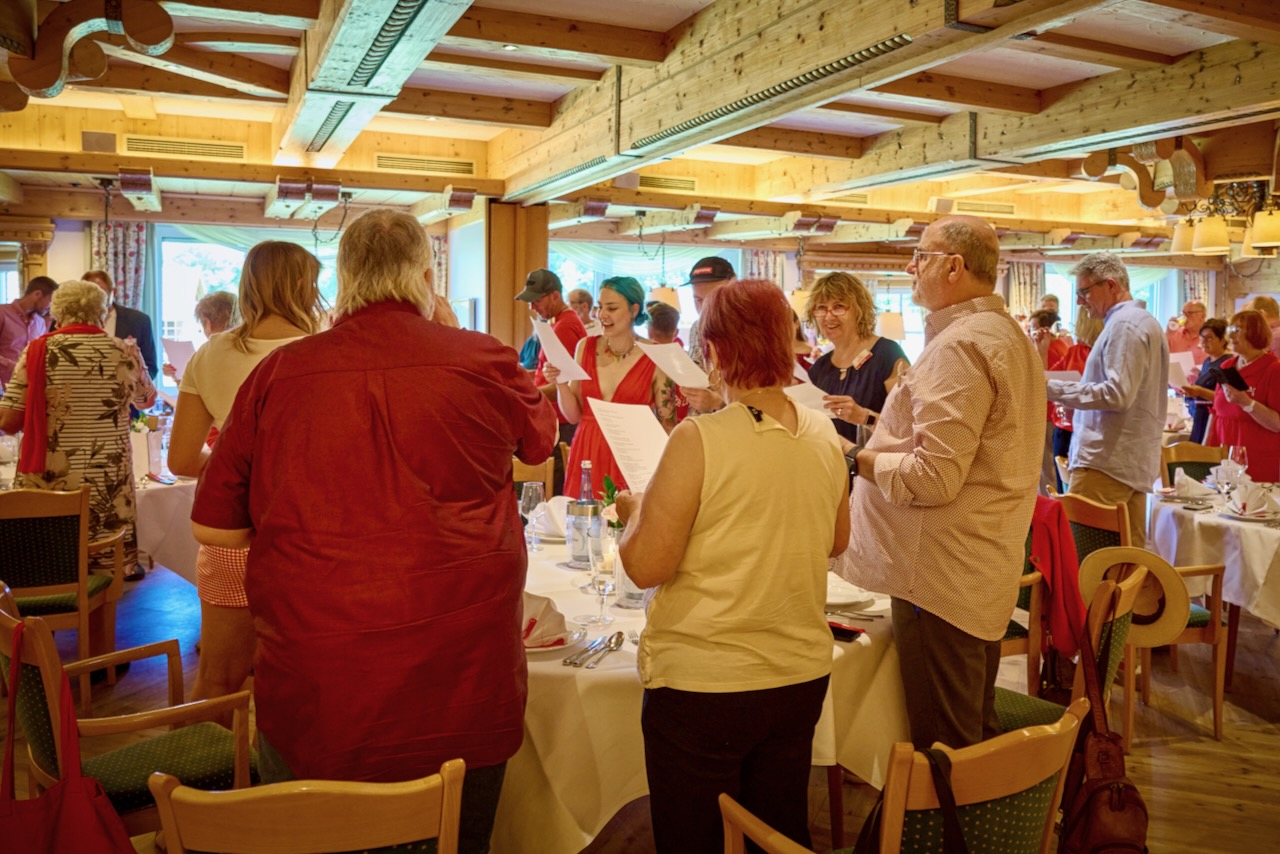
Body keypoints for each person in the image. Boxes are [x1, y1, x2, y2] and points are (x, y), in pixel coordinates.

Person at [190, 210, 557, 854]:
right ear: (427, 278)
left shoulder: (279, 373)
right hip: (462, 673)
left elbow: (213, 527)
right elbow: (540, 446)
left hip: (320, 675)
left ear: (343, 278)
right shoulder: (483, 358)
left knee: (315, 842)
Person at [615, 279, 849, 853]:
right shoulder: (823, 433)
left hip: (707, 681)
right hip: (797, 672)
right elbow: (836, 539)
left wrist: (636, 512)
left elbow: (645, 566)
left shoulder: (699, 438)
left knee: (694, 837)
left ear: (716, 351)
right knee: (776, 830)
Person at [838, 215, 1044, 750]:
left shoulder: (961, 346)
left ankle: (955, 811)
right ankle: (989, 806)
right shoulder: (1005, 335)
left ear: (954, 266)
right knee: (971, 729)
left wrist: (855, 458)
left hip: (938, 574)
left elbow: (934, 478)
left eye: (920, 256)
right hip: (977, 562)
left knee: (945, 749)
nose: (911, 267)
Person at [169, 244, 323, 709]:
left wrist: (239, 470)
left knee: (216, 682)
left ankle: (192, 759)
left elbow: (181, 459)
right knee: (312, 683)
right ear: (306, 285)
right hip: (310, 538)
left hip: (234, 532)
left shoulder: (211, 353)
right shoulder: (326, 349)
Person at [0, 280, 155, 577]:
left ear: (57, 312)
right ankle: (103, 596)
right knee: (106, 563)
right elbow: (146, 401)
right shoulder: (125, 351)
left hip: (52, 476)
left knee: (51, 564)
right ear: (102, 312)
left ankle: (53, 597)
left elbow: (9, 422)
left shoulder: (37, 351)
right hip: (108, 476)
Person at [1047, 252, 1167, 548]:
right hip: (1125, 461)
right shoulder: (1141, 322)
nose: (1079, 301)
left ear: (1111, 285)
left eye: (1085, 292)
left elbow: (1117, 394)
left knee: (1085, 555)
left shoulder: (1125, 326)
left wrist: (1049, 388)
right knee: (1126, 559)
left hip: (1106, 462)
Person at [547, 276, 678, 498]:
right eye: (600, 307)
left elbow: (668, 425)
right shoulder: (585, 347)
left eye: (612, 308)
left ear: (634, 310)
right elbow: (573, 415)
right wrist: (560, 384)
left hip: (632, 454)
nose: (602, 314)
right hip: (587, 450)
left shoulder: (656, 356)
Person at [805, 271, 909, 449]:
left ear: (859, 310)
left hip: (875, 463)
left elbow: (909, 427)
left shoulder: (887, 354)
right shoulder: (819, 368)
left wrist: (864, 417)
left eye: (838, 307)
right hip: (831, 463)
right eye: (821, 308)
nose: (828, 316)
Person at [516, 268, 586, 447]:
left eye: (537, 301)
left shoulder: (565, 327)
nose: (532, 307)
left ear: (555, 296)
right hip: (557, 417)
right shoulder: (560, 322)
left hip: (562, 421)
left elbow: (566, 383)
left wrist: (528, 396)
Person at [1207, 310, 1280, 481]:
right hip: (1223, 455)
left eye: (1237, 330)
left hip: (1256, 459)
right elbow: (1216, 413)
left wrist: (1247, 404)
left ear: (1255, 333)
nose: (1231, 337)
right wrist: (1205, 449)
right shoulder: (1226, 366)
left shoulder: (1273, 370)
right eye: (1230, 330)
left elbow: (1277, 424)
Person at [1049, 309, 1105, 489]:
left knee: (1070, 490)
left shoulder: (1079, 353)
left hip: (1072, 426)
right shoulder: (1106, 354)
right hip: (1086, 428)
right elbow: (1047, 379)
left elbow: (1047, 381)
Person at [683, 256, 736, 415]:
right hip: (702, 422)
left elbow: (764, 398)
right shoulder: (697, 328)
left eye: (712, 299)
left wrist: (719, 403)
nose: (704, 308)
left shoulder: (752, 331)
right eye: (698, 300)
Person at [83, 269, 158, 379]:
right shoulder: (74, 321)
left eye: (101, 294)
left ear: (114, 292)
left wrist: (134, 383)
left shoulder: (139, 321)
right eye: (90, 294)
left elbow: (150, 367)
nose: (96, 299)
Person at [1030, 308, 1068, 495]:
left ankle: (1049, 504)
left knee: (1047, 467)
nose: (1031, 333)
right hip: (1058, 413)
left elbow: (1040, 380)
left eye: (1033, 328)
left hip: (1047, 412)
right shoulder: (1063, 346)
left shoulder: (1049, 350)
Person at [163, 291, 238, 383]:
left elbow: (191, 392)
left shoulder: (204, 357)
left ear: (207, 324)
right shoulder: (248, 350)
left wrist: (179, 377)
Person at [1179, 317, 1231, 444]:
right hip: (1200, 415)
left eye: (1209, 338)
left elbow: (1227, 398)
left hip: (1214, 418)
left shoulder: (1227, 363)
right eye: (1202, 338)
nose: (1203, 342)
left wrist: (1200, 391)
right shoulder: (1207, 361)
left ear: (1223, 340)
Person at [0, 276, 56, 388]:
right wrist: (13, 367)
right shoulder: (2, 313)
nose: (50, 307)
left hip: (28, 387)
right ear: (37, 294)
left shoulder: (40, 322)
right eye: (50, 301)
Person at [1167, 299, 1207, 365]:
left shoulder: (1210, 336)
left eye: (1190, 313)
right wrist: (1168, 333)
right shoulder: (1175, 334)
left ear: (1202, 316)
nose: (1185, 316)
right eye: (1183, 313)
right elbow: (1160, 355)